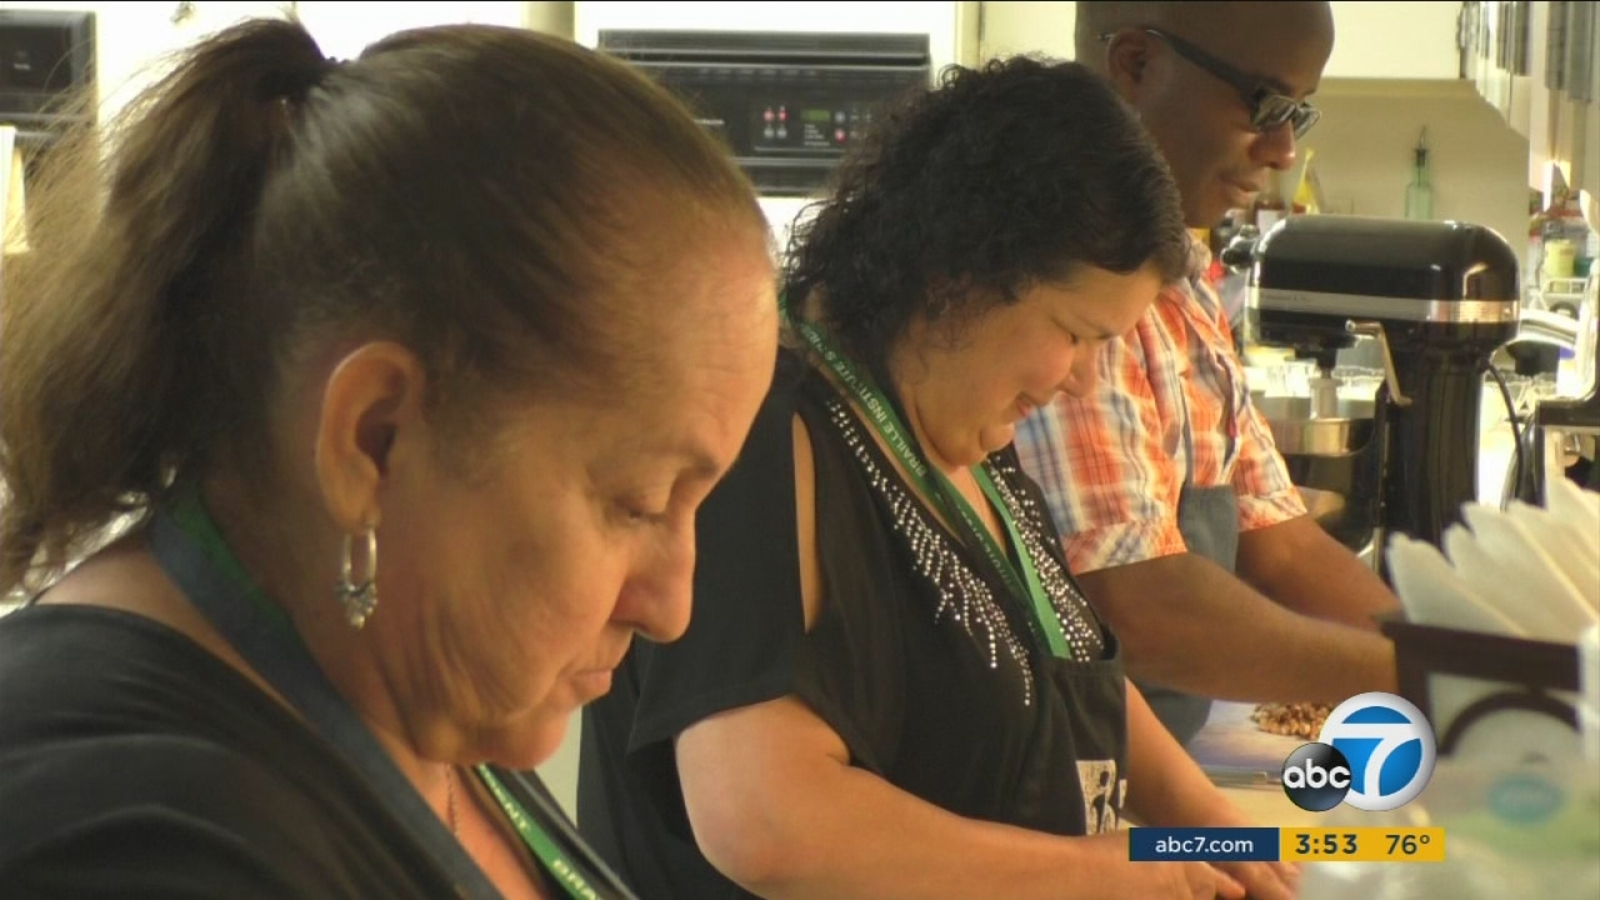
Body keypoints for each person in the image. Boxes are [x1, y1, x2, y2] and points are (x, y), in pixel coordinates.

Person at [0, 17, 778, 900]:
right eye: (639, 502)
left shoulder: (403, 697)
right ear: (376, 440)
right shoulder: (129, 846)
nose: (672, 608)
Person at [579, 57, 1297, 900]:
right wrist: (1087, 875)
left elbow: (1062, 669)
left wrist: (1216, 832)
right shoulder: (766, 438)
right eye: (1075, 334)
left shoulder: (975, 451)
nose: (1082, 379)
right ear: (962, 276)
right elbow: (764, 822)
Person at [1014, 1, 1402, 746]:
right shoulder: (1057, 285)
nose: (1284, 151)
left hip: (1140, 767)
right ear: (1136, 65)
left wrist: (1465, 662)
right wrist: (1422, 678)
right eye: (1265, 104)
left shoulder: (1184, 287)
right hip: (1058, 774)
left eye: (1298, 114)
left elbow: (1279, 543)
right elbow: (1139, 608)